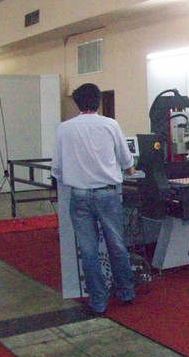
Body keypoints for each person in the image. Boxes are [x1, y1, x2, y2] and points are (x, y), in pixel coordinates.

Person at [51, 83, 136, 314]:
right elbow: (126, 161)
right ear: (98, 102)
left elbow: (57, 168)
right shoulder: (110, 125)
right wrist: (129, 170)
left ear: (77, 103)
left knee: (88, 249)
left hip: (79, 196)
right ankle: (125, 291)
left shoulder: (64, 129)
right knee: (116, 244)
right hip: (108, 194)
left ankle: (98, 301)